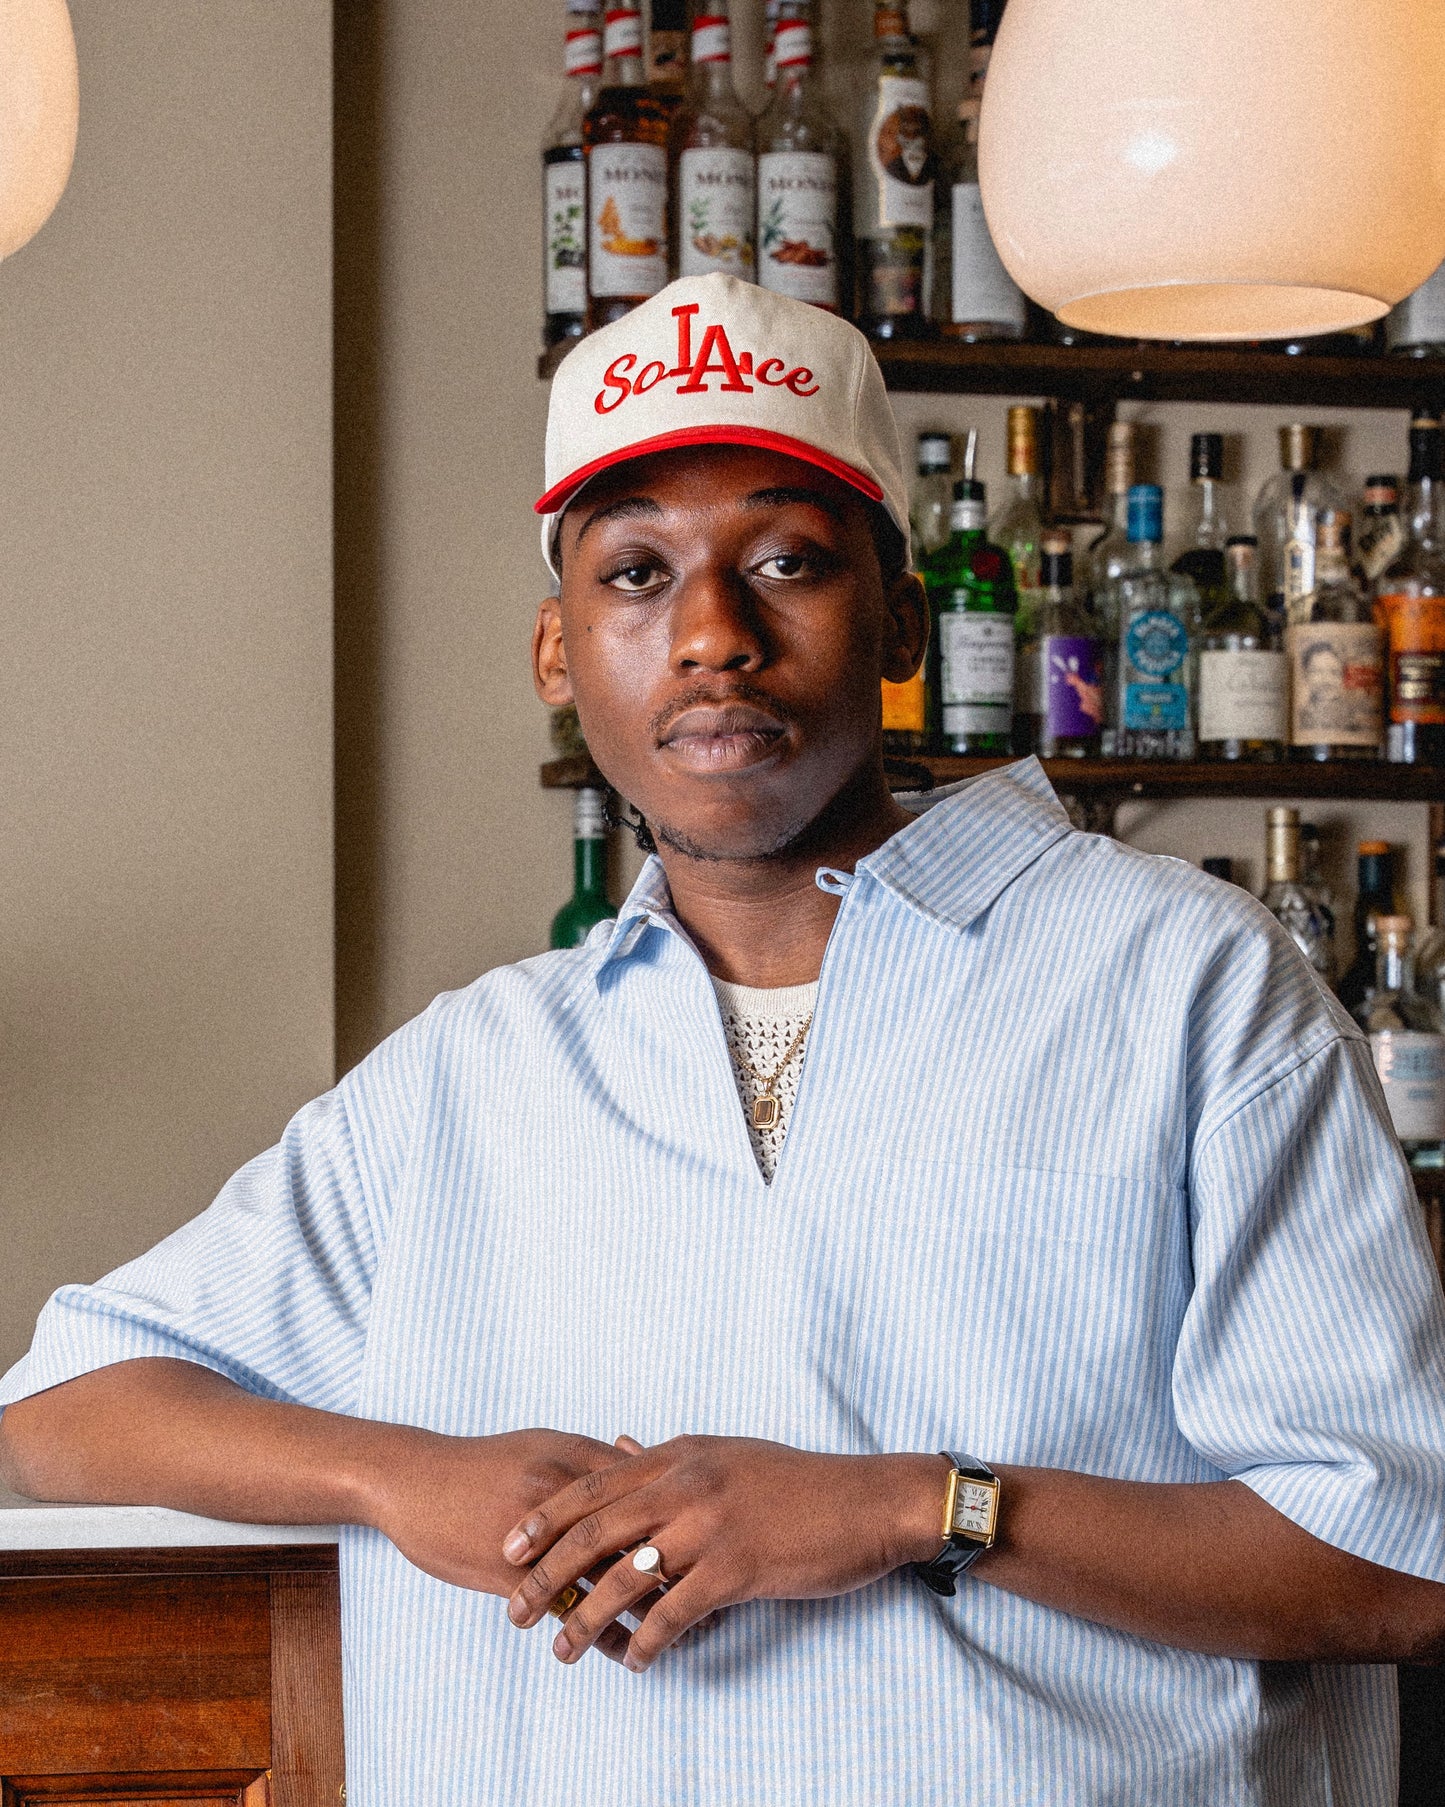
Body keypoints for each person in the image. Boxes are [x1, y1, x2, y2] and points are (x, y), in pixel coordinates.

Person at [2, 273, 1444, 1806]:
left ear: (898, 618)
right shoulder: (468, 1072)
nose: (710, 634)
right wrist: (404, 1474)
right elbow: (58, 1415)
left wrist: (919, 1507)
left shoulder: (1178, 980)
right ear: (557, 655)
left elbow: (1397, 1566)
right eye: (634, 573)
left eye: (785, 560)